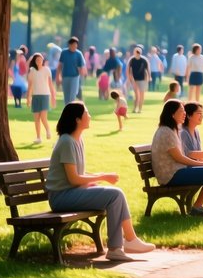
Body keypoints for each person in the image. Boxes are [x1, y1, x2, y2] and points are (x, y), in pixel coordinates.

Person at [45, 102, 155, 261]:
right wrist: (102, 177)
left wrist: (96, 178)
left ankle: (129, 241)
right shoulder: (67, 142)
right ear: (77, 119)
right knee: (115, 195)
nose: (89, 116)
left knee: (116, 195)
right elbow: (74, 179)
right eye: (87, 113)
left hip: (70, 193)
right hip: (61, 198)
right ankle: (119, 246)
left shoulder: (77, 140)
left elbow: (78, 174)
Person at [151, 99, 203, 219]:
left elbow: (180, 158)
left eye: (184, 111)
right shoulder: (166, 132)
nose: (184, 114)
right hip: (171, 175)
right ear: (172, 114)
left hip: (177, 172)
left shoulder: (171, 130)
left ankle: (198, 208)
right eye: (181, 111)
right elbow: (180, 158)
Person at [27, 53, 55, 144]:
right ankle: (38, 137)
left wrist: (53, 97)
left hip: (45, 95)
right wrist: (28, 98)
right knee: (36, 119)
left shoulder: (47, 70)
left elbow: (51, 85)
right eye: (37, 60)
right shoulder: (32, 71)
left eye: (40, 59)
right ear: (35, 61)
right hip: (35, 96)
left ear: (43, 60)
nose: (39, 61)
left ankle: (48, 130)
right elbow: (30, 86)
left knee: (43, 117)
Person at [56, 37, 86, 106]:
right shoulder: (64, 52)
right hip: (65, 77)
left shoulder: (78, 54)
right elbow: (60, 65)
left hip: (74, 77)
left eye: (76, 45)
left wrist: (82, 77)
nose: (75, 47)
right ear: (69, 45)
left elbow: (81, 67)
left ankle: (72, 111)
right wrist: (58, 76)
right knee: (66, 97)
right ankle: (67, 112)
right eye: (73, 45)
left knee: (72, 96)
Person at [126, 45, 151, 114]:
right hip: (134, 80)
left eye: (139, 52)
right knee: (136, 95)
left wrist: (149, 77)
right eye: (136, 51)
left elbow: (147, 70)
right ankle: (135, 108)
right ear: (134, 52)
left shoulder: (144, 60)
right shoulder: (132, 60)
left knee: (142, 94)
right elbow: (129, 70)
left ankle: (140, 109)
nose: (137, 53)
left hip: (142, 79)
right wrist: (129, 79)